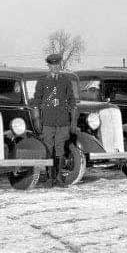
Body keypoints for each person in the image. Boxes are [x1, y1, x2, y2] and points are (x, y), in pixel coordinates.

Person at [31, 53, 78, 186]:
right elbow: (36, 101)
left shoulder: (66, 81)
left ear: (60, 65)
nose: (55, 67)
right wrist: (37, 120)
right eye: (52, 65)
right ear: (49, 66)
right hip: (48, 121)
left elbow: (72, 101)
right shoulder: (42, 81)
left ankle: (58, 177)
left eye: (57, 65)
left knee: (60, 148)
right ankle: (49, 177)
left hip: (63, 121)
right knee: (48, 148)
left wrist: (73, 121)